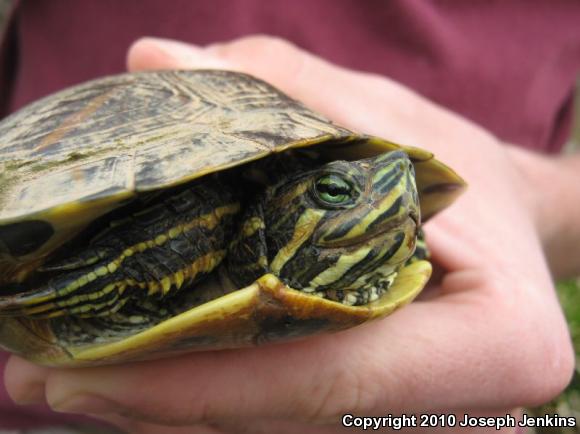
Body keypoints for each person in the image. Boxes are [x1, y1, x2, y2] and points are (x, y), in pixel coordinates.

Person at [2, 1, 580, 433]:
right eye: (334, 192)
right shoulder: (221, 210)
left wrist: (536, 198)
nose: (397, 193)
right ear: (265, 221)